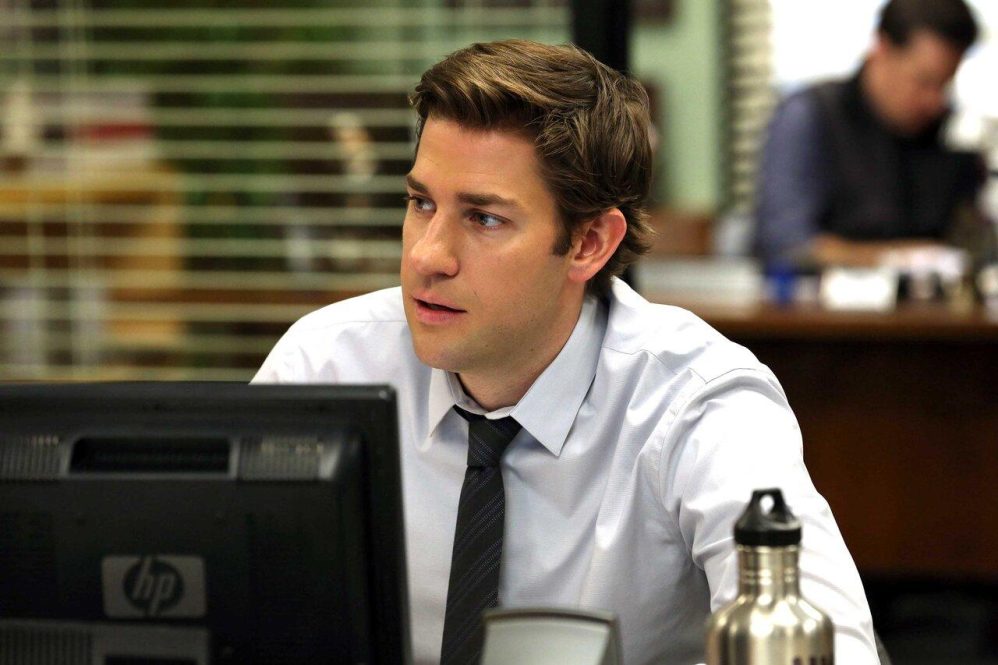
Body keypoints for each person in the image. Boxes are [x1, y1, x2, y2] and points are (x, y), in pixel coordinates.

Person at [254, 40, 879, 664]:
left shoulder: (696, 402)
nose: (427, 256)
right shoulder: (327, 367)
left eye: (484, 218)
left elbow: (827, 650)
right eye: (422, 203)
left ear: (589, 244)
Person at [754, 0, 984, 267]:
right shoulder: (810, 117)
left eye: (944, 85)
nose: (933, 101)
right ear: (881, 49)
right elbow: (786, 244)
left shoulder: (948, 135)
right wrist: (905, 259)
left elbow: (973, 241)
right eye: (923, 81)